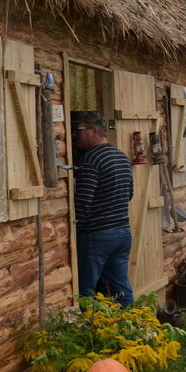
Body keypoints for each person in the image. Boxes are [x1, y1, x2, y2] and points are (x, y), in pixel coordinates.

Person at [72, 111, 135, 308]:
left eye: (78, 130)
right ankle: (135, 323)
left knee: (85, 290)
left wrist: (75, 231)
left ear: (93, 131)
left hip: (97, 235)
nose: (74, 135)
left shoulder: (91, 159)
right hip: (123, 232)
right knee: (121, 287)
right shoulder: (122, 157)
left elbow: (83, 202)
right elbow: (129, 194)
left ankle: (87, 326)